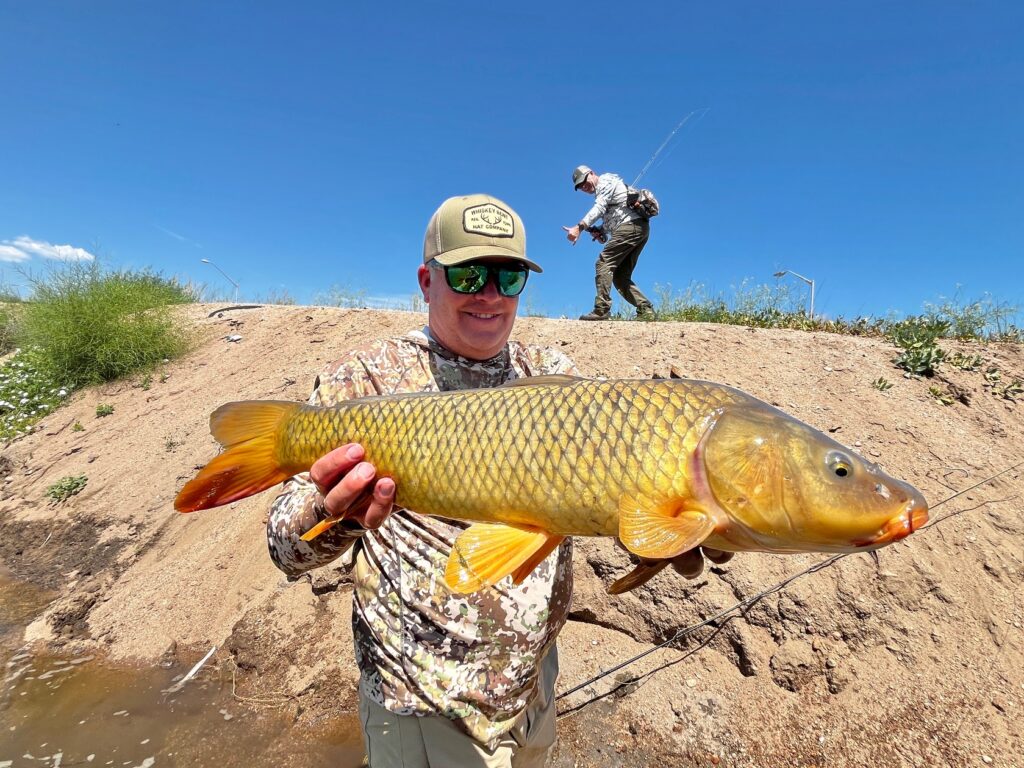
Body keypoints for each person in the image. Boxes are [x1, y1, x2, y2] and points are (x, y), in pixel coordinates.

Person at [266, 193, 728, 767]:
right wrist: (333, 516)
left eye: (508, 277)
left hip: (534, 684)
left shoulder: (553, 375)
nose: (488, 293)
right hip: (424, 701)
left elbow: (601, 496)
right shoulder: (362, 380)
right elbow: (285, 549)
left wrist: (668, 521)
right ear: (426, 280)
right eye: (468, 273)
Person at [562, 165, 656, 322]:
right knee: (620, 276)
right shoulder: (604, 191)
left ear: (591, 173)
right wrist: (600, 230)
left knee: (603, 263)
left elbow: (599, 208)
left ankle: (601, 310)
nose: (584, 187)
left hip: (631, 226)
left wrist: (579, 227)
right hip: (638, 228)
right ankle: (646, 309)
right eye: (580, 187)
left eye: (584, 181)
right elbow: (613, 217)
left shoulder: (604, 182)